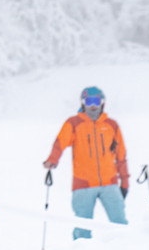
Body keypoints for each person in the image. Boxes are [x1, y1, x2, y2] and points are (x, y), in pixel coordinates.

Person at [43, 87, 130, 240]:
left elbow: (121, 155)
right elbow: (60, 143)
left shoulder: (112, 125)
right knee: (83, 228)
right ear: (83, 103)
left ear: (102, 103)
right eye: (88, 101)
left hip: (109, 183)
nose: (92, 105)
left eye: (96, 101)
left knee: (120, 225)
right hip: (83, 185)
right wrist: (52, 160)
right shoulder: (74, 123)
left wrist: (125, 182)